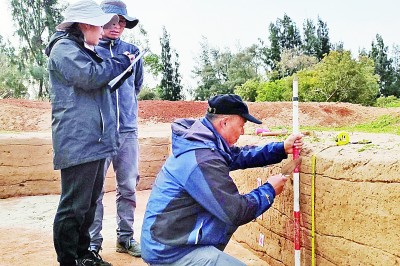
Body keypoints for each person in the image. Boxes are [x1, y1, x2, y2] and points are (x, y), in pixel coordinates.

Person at [140, 94, 303, 266]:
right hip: (170, 250)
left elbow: (239, 156)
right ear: (224, 122)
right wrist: (269, 190)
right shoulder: (203, 158)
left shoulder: (203, 143)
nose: (242, 131)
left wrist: (281, 148)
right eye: (241, 126)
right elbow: (236, 211)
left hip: (171, 237)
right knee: (228, 216)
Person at [46, 1, 136, 265]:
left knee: (87, 206)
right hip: (78, 140)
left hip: (94, 139)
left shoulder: (81, 48)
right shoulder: (63, 49)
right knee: (73, 207)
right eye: (100, 25)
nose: (104, 29)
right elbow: (90, 77)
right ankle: (69, 259)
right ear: (85, 24)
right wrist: (120, 61)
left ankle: (84, 256)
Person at [88, 0, 143, 258]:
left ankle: (126, 238)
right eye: (113, 20)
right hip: (98, 133)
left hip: (128, 132)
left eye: (122, 21)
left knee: (128, 187)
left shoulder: (133, 52)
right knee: (94, 190)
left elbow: (135, 87)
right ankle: (92, 243)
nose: (118, 25)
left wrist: (127, 116)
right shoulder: (89, 50)